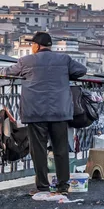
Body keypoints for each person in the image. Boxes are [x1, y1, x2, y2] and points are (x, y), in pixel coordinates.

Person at [0, 32, 87, 196]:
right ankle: (63, 186)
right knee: (60, 149)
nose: (32, 47)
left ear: (37, 46)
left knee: (38, 150)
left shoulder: (26, 61)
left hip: (36, 112)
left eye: (32, 44)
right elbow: (81, 70)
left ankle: (42, 186)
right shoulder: (64, 60)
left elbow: (7, 72)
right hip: (59, 112)